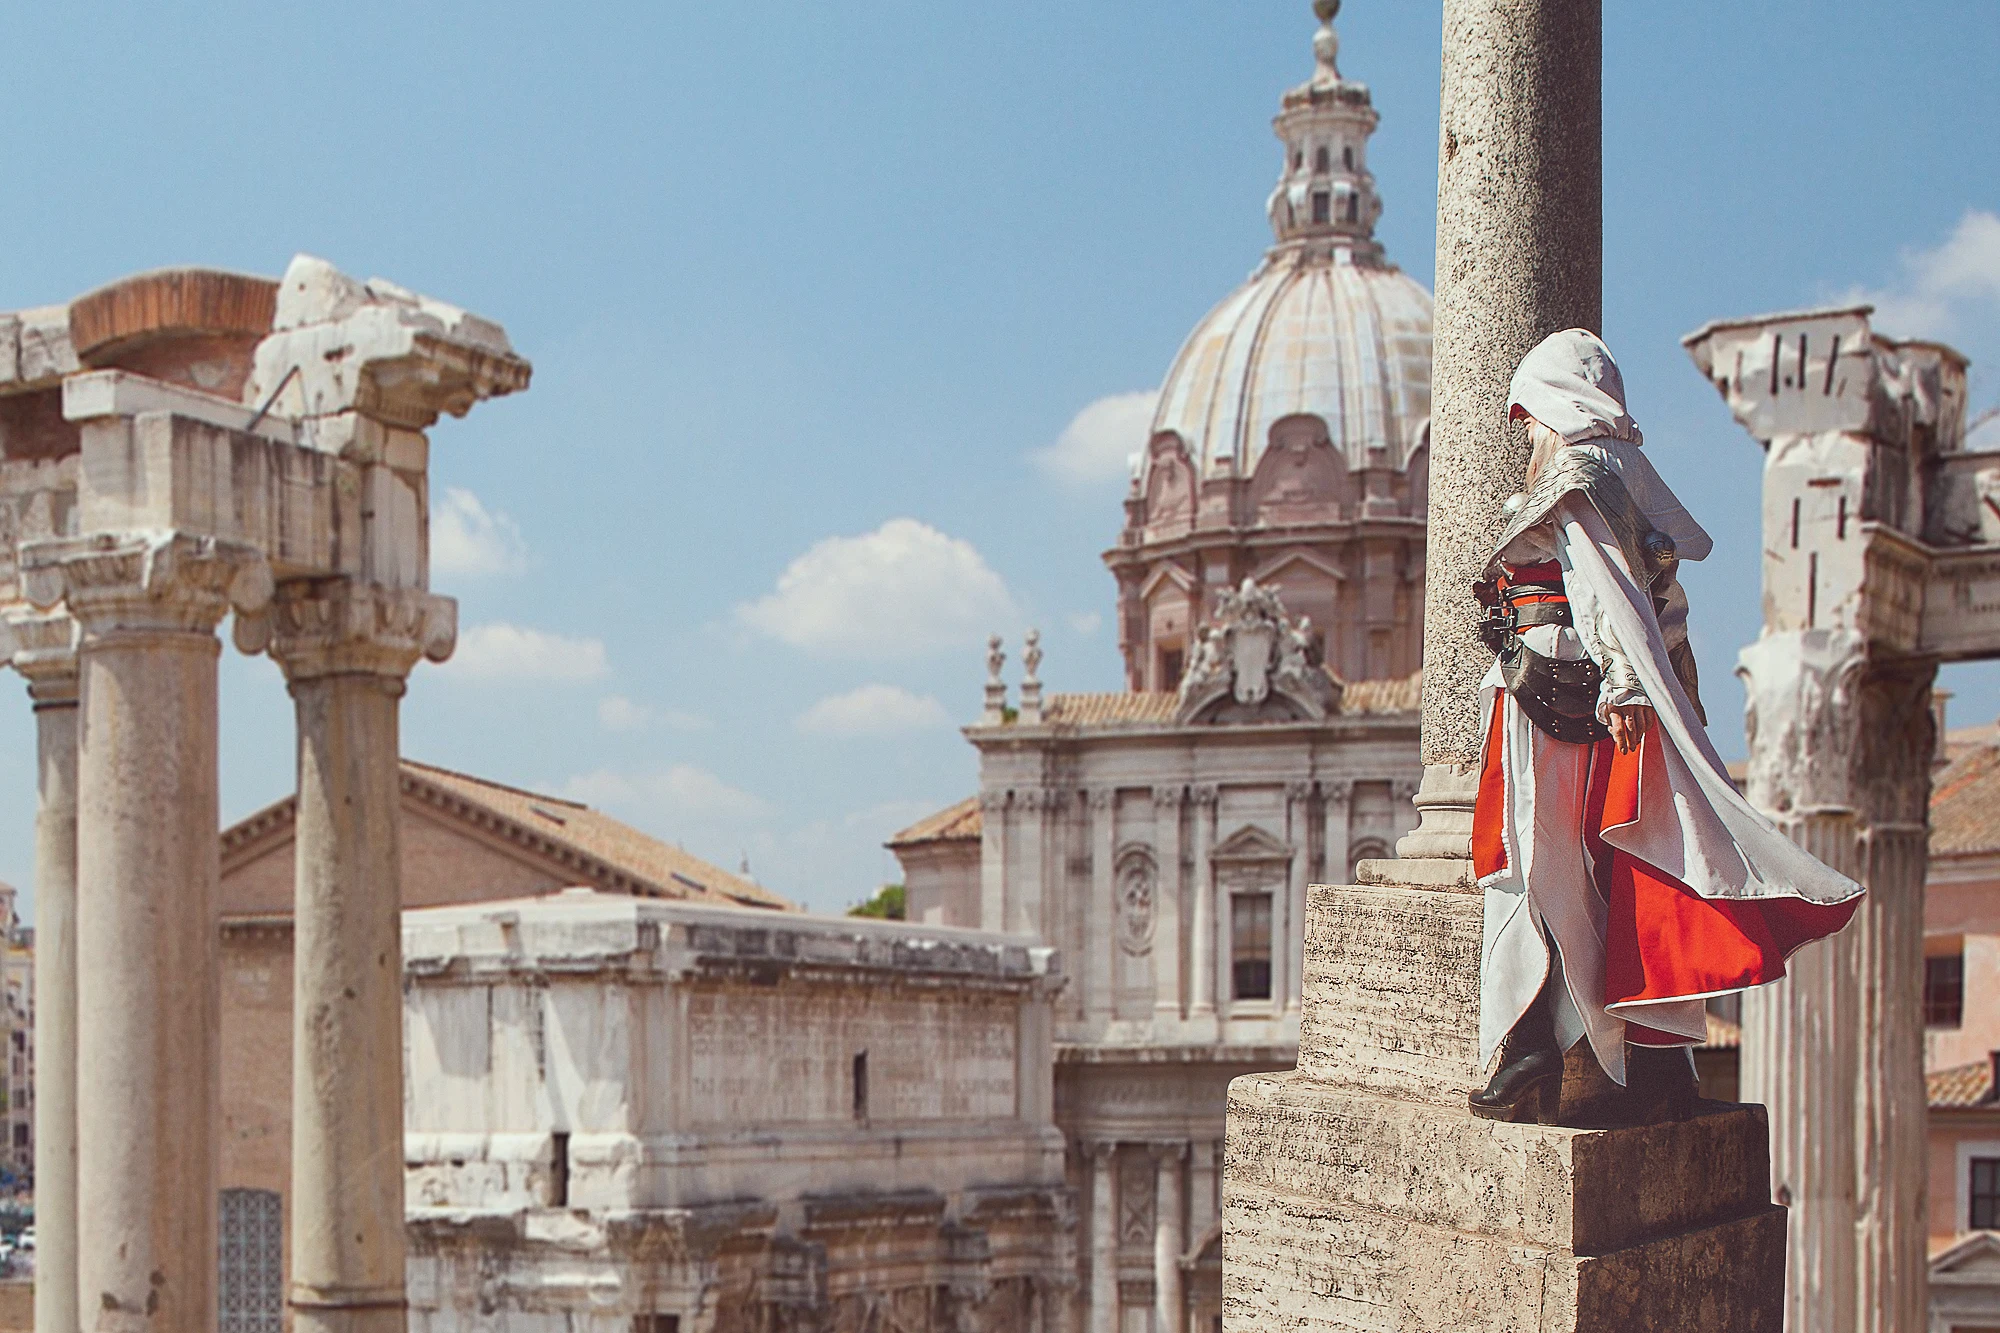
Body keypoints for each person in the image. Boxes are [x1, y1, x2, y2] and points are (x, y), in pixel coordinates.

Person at [1468, 329, 1864, 1125]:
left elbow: (1603, 589)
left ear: (1551, 404)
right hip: (1611, 694)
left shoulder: (1577, 470)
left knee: (1533, 861)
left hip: (1554, 691)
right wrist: (1664, 683)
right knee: (1640, 872)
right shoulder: (1631, 470)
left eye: (1530, 415)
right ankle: (1655, 1066)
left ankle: (1529, 1047)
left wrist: (1621, 677)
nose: (1528, 433)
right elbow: (1662, 603)